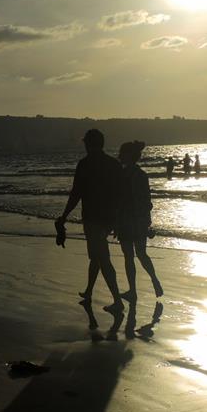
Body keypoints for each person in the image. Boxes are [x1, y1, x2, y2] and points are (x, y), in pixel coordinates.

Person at [56, 128, 125, 318]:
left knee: (102, 258)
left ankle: (118, 301)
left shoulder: (84, 164)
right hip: (109, 218)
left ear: (88, 143)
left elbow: (76, 193)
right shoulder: (113, 164)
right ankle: (88, 292)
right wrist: (118, 219)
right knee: (97, 255)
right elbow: (121, 194)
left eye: (86, 142)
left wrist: (64, 216)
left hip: (92, 218)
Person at [116, 141, 164, 300]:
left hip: (126, 220)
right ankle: (154, 280)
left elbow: (120, 201)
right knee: (142, 254)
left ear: (127, 156)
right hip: (139, 220)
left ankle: (133, 291)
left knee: (129, 257)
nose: (119, 156)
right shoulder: (142, 175)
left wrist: (116, 221)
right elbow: (147, 202)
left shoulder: (122, 175)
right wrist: (146, 222)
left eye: (122, 153)